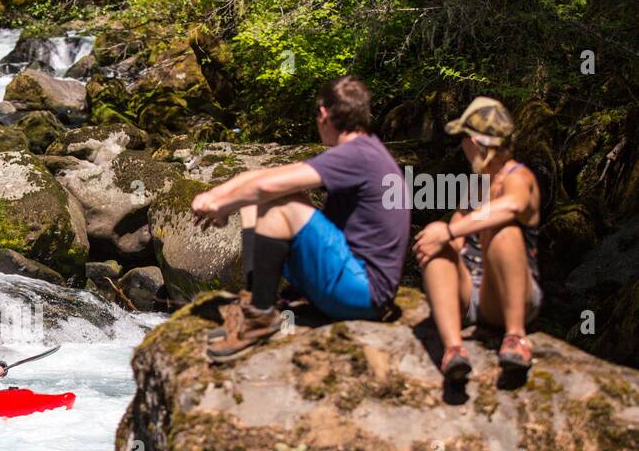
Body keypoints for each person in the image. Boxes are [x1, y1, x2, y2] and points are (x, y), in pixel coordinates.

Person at [191, 76, 410, 361]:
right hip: (352, 284)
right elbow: (262, 177)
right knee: (259, 200)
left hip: (363, 293)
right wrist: (217, 197)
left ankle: (260, 317)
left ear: (323, 114)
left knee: (280, 203)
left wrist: (220, 206)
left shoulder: (358, 156)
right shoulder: (363, 151)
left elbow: (268, 187)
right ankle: (253, 303)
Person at [414, 97, 541, 380]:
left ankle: (516, 336)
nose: (461, 146)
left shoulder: (519, 177)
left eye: (463, 139)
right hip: (470, 291)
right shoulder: (477, 184)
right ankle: (454, 349)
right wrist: (439, 241)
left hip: (508, 295)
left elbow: (512, 206)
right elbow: (455, 239)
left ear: (476, 142)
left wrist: (448, 232)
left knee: (504, 230)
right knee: (438, 236)